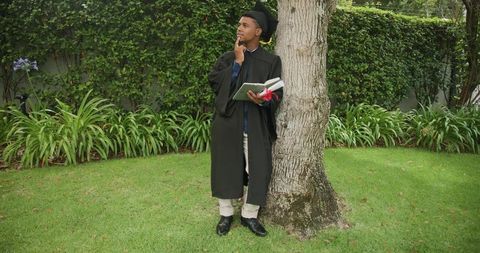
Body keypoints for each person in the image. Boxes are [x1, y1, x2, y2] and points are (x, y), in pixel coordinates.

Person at [208, 1, 282, 237]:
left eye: (245, 25)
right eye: (239, 24)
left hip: (255, 124)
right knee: (225, 167)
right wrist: (237, 64)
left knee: (259, 168)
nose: (239, 28)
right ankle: (226, 214)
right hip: (228, 122)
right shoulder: (229, 57)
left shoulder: (271, 61)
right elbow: (215, 83)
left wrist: (263, 99)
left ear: (258, 31)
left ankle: (250, 215)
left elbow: (276, 90)